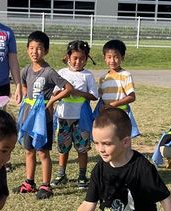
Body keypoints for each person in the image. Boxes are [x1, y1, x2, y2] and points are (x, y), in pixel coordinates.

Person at [16, 31, 73, 199]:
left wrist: (51, 101)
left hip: (43, 119)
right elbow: (24, 84)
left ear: (46, 51)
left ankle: (45, 185)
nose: (35, 52)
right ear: (27, 49)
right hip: (28, 117)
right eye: (32, 48)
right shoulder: (26, 69)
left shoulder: (49, 72)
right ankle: (29, 182)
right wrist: (25, 96)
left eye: (39, 48)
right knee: (28, 150)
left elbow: (68, 89)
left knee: (43, 152)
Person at [51, 40, 98, 190]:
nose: (78, 61)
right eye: (75, 58)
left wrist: (76, 92)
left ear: (87, 58)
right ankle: (61, 174)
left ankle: (82, 176)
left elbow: (94, 96)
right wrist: (64, 92)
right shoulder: (62, 73)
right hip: (63, 116)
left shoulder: (88, 76)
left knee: (82, 148)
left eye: (82, 58)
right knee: (63, 147)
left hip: (81, 118)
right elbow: (55, 93)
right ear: (68, 57)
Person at [96, 39, 139, 138]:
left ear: (122, 57)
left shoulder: (125, 75)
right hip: (107, 114)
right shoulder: (103, 78)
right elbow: (100, 97)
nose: (112, 60)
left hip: (121, 114)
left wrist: (114, 104)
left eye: (116, 57)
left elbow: (132, 97)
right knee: (109, 138)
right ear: (104, 58)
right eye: (109, 57)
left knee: (121, 138)